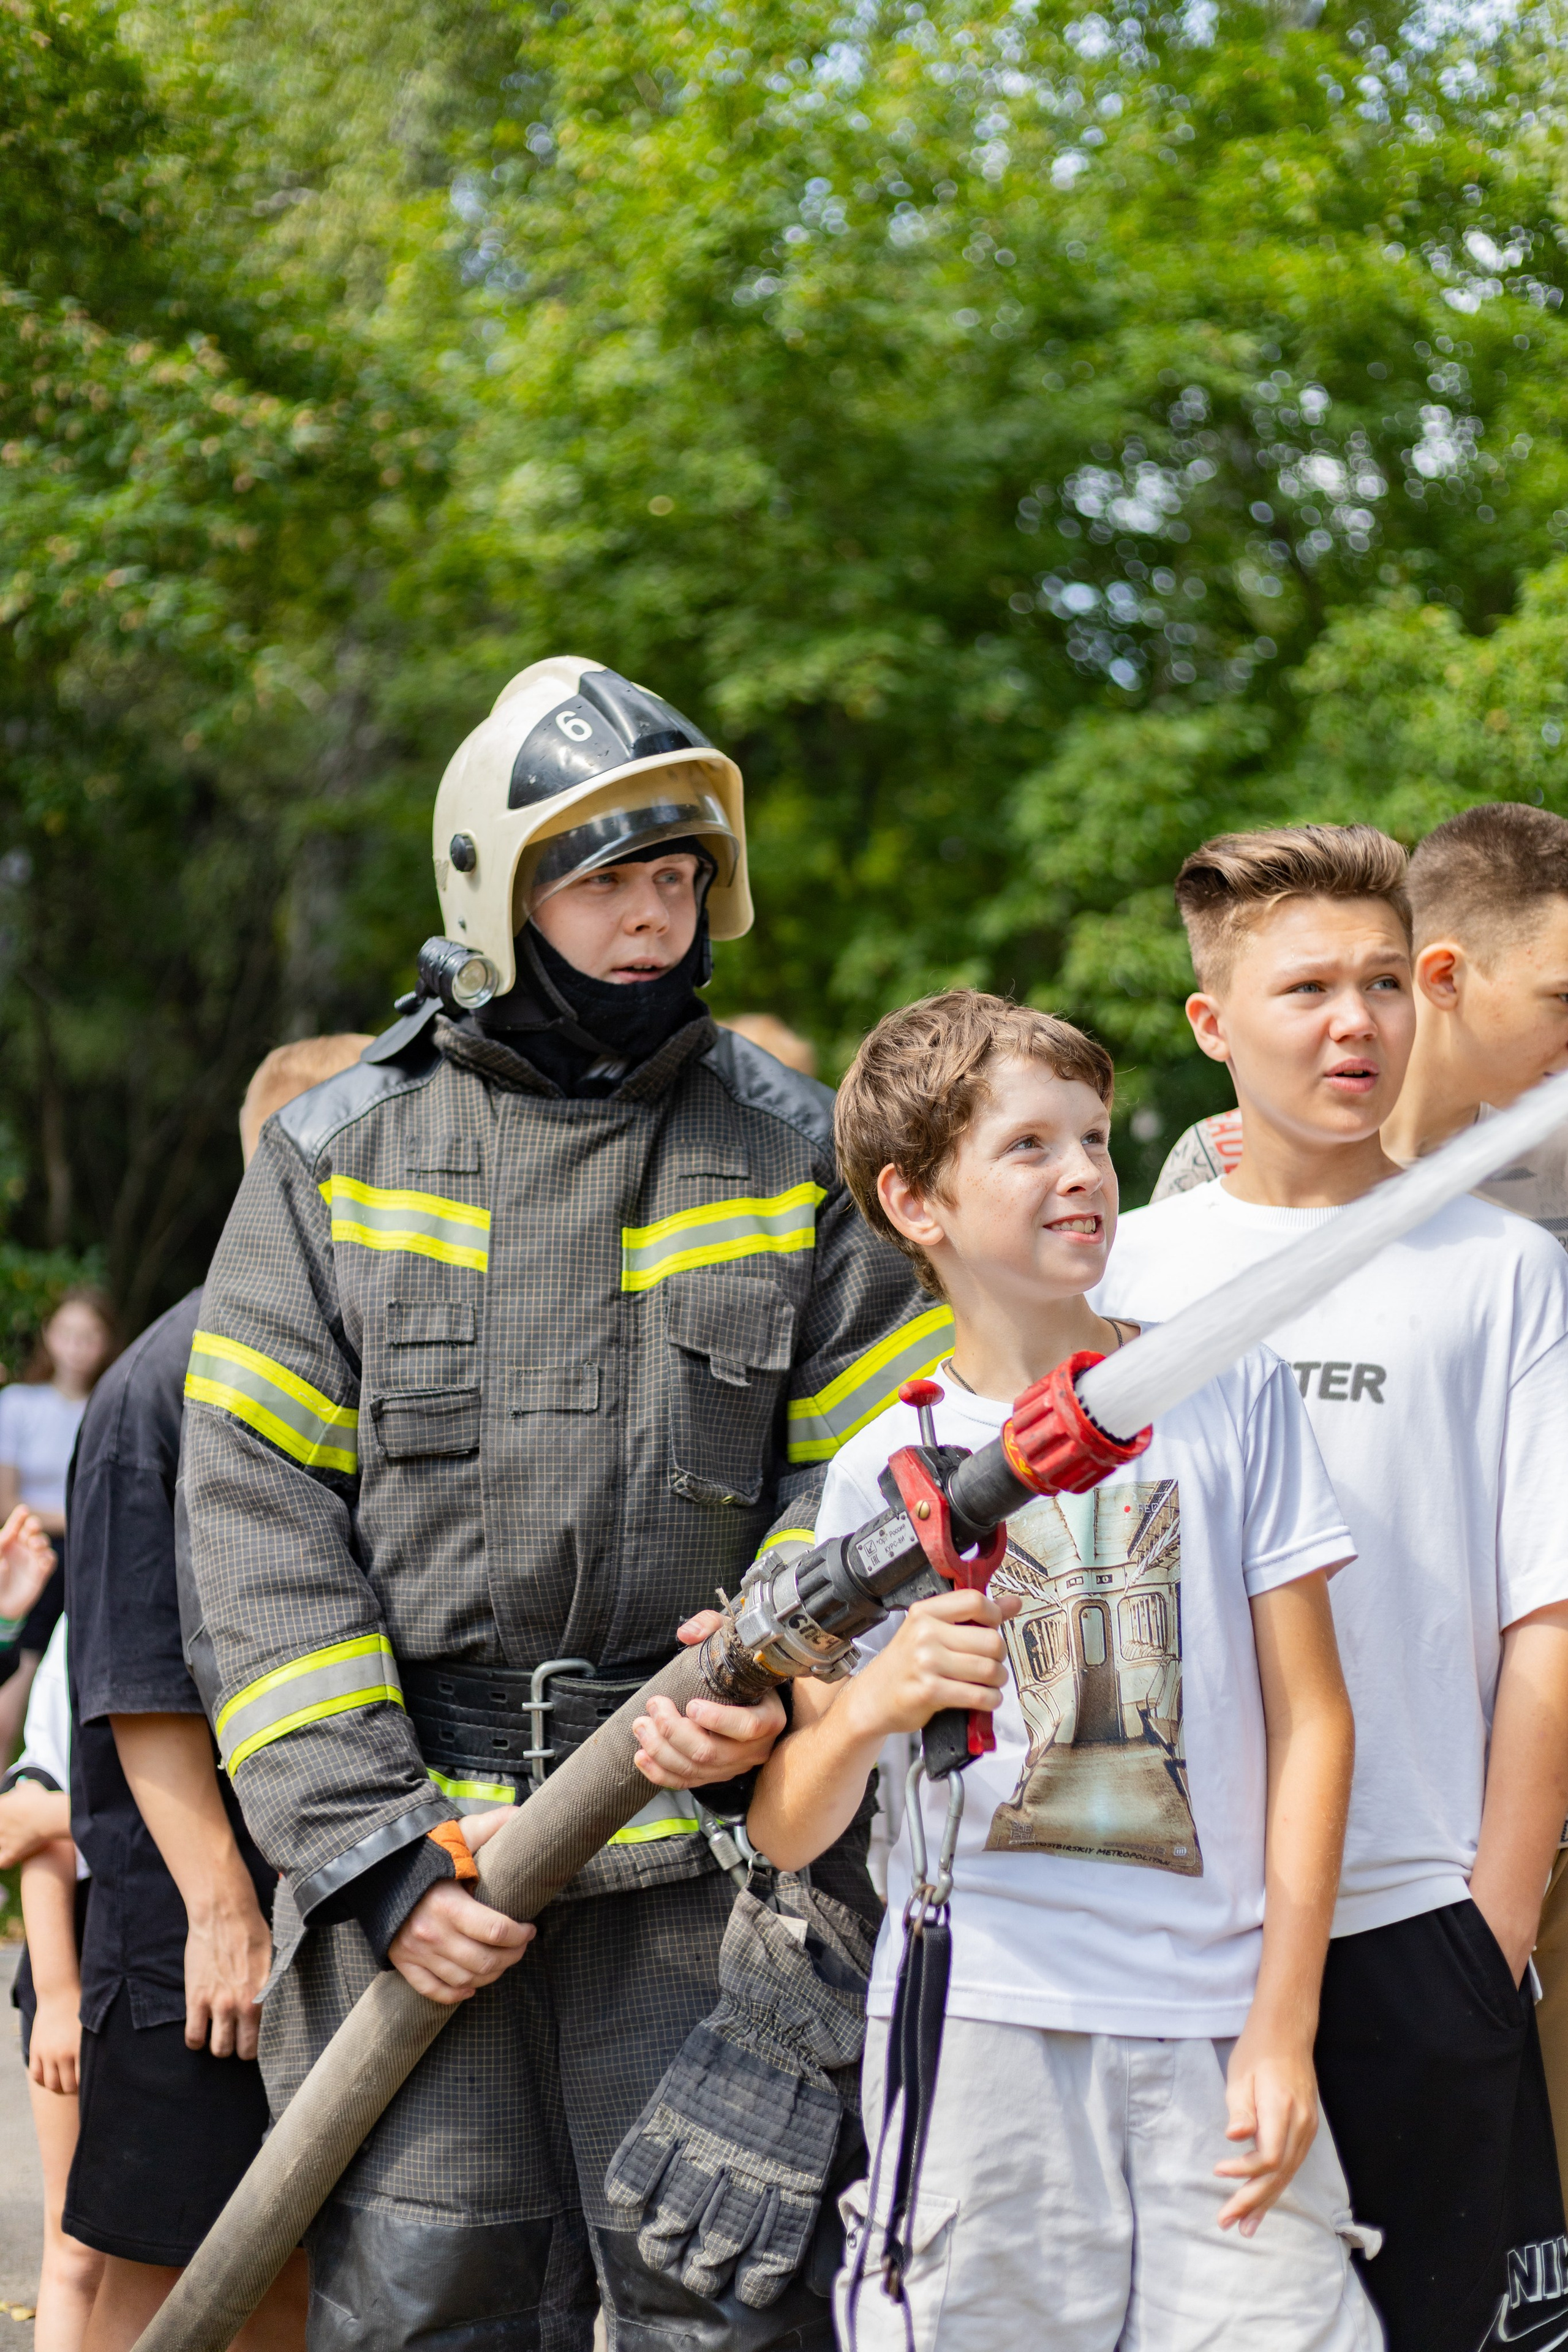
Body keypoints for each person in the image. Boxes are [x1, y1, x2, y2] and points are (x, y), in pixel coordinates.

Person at [179, 659, 942, 2352]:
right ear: (495, 889)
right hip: (422, 1889)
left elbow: (870, 1483)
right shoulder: (338, 1160)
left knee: (722, 2304)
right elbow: (254, 1533)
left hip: (708, 1879)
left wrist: (781, 1699)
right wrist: (373, 1855)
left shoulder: (793, 1156)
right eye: (606, 879)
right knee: (429, 2302)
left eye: (678, 878)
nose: (654, 918)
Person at [728, 989, 1376, 2351]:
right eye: (1027, 1146)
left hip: (1215, 2032)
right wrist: (879, 1706)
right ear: (916, 1203)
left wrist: (1280, 2028)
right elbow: (791, 1824)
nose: (1082, 1172)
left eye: (1092, 1136)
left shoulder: (1225, 1393)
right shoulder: (877, 1472)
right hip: (978, 2041)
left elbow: (1314, 1725)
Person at [1093, 822, 1568, 2352]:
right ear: (1211, 1024)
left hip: (1417, 1922)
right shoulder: (1120, 1278)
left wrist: (1488, 1928)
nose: (1352, 1020)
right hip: (1170, 1943)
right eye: (1304, 987)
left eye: (1380, 981)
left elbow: (1543, 1616)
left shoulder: (1501, 1269)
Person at [56, 1036, 370, 2352]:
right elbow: (139, 1682)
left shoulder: (358, 1358)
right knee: (182, 2276)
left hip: (332, 1894)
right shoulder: (161, 1384)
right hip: (196, 1918)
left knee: (302, 2270)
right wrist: (225, 1910)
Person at [4, 1618, 104, 2352]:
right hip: (82, 1946)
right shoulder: (99, 1612)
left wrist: (58, 1815)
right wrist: (59, 1994)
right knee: (76, 2246)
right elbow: (29, 1819)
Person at [0, 1289, 119, 1759]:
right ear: (50, 1337)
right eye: (68, 1334)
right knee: (14, 1679)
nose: (76, 1347)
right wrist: (75, 1518)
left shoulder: (110, 1406)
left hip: (97, 1557)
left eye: (89, 1336)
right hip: (31, 1551)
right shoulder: (18, 1404)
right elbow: (7, 1502)